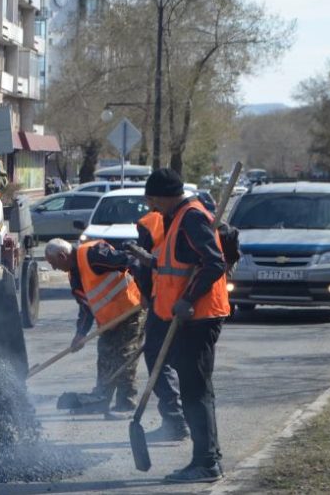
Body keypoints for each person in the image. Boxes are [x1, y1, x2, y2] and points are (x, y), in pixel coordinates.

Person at [144, 168, 230, 484]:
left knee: (195, 391)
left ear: (165, 196)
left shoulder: (191, 217)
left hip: (199, 317)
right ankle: (208, 457)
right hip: (187, 318)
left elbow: (214, 263)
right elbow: (179, 265)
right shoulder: (179, 217)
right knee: (196, 390)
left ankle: (206, 462)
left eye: (153, 199)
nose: (152, 206)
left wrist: (189, 299)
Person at [44, 237, 145, 414]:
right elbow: (86, 307)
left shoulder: (93, 253)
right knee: (105, 356)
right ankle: (101, 399)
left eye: (53, 264)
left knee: (125, 356)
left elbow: (132, 260)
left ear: (62, 256)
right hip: (108, 321)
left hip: (131, 310)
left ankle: (126, 403)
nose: (53, 269)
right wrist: (80, 334)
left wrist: (146, 290)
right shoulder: (75, 275)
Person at [133, 210, 190, 443]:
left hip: (165, 301)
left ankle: (175, 421)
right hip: (189, 302)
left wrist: (145, 293)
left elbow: (145, 267)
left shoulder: (149, 224)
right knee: (180, 363)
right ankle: (183, 422)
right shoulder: (192, 216)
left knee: (158, 360)